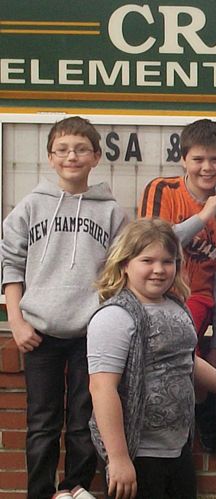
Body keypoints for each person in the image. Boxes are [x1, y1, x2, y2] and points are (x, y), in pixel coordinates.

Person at [1, 116, 127, 499]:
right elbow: (10, 264)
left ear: (95, 157)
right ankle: (39, 493)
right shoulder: (30, 207)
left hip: (91, 333)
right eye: (63, 150)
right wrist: (17, 322)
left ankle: (74, 489)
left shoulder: (111, 212)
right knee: (41, 423)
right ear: (51, 158)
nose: (71, 156)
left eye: (80, 149)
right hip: (39, 332)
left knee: (84, 422)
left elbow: (122, 269)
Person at [87, 218, 216, 499]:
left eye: (168, 261)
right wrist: (118, 459)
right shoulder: (115, 316)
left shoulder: (177, 307)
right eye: (147, 260)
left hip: (177, 450)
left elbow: (188, 361)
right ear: (125, 263)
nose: (158, 269)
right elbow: (102, 388)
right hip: (137, 455)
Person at [139, 119, 216, 453]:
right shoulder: (163, 190)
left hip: (198, 299)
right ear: (183, 159)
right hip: (157, 295)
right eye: (198, 159)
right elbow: (152, 244)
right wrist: (204, 213)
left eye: (215, 160)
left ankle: (202, 403)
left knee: (187, 342)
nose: (206, 167)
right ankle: (204, 404)